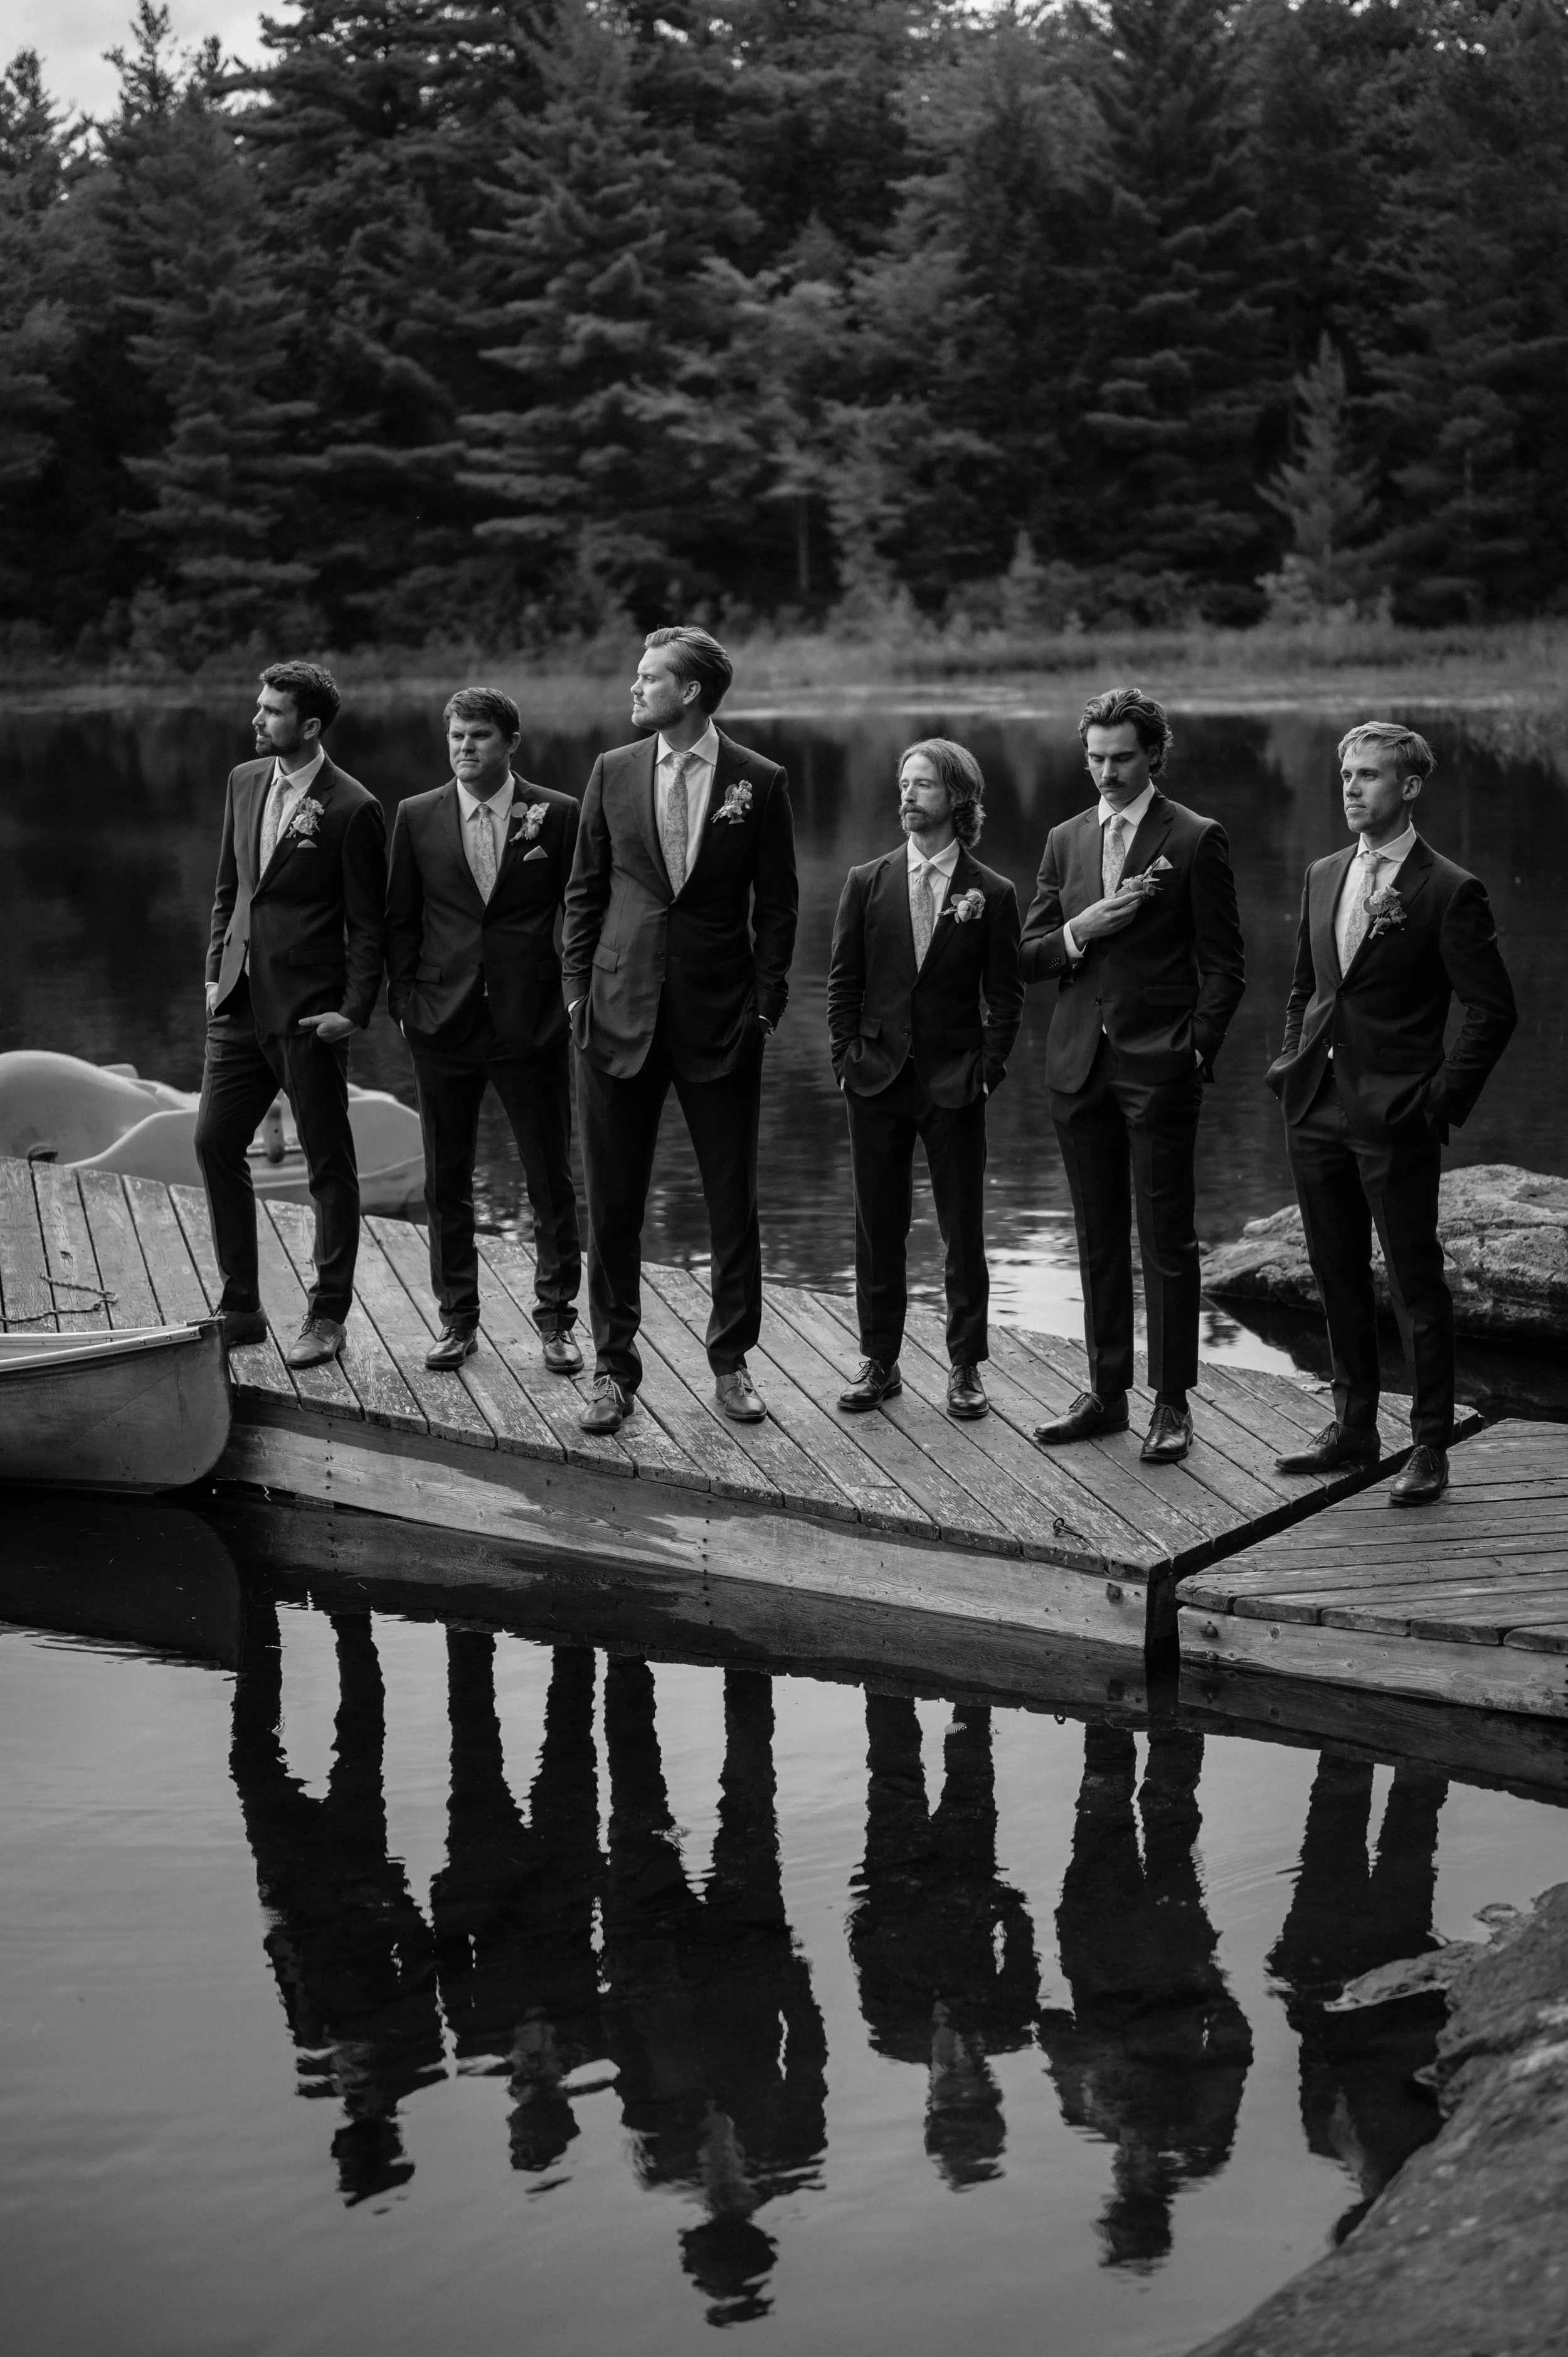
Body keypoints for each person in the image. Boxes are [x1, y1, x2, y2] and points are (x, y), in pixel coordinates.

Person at [1266, 722, 1516, 1506]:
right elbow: (1307, 988)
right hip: (1314, 1105)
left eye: (1368, 776)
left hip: (1396, 1114)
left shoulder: (1448, 889)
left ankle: (1429, 1445)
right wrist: (1288, 1065)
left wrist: (1437, 1099)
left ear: (1407, 788)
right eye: (1345, 774)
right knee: (1334, 1271)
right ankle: (1351, 1428)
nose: (1350, 788)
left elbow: (1491, 1010)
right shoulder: (1321, 872)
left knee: (1414, 1284)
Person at [562, 626, 798, 1435]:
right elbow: (584, 893)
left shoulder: (757, 782)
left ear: (689, 692)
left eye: (649, 677)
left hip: (720, 1020)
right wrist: (574, 997)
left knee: (732, 1201)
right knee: (612, 1202)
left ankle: (731, 1365)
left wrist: (764, 1006)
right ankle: (611, 1369)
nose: (635, 689)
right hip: (614, 1014)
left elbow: (778, 905)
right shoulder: (612, 770)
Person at [1020, 687, 1245, 1464]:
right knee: (1095, 1237)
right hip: (1076, 1064)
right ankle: (1106, 1393)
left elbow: (1225, 967)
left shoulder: (1195, 836)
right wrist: (1079, 931)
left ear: (1153, 754)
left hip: (1160, 1066)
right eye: (1095, 759)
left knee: (1167, 1242)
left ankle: (1172, 1404)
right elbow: (1028, 954)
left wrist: (1195, 1049)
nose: (1106, 773)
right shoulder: (1064, 838)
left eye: (1120, 758)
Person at [384, 687, 583, 1372]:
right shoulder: (415, 816)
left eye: (479, 736)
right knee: (446, 1178)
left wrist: (567, 1001)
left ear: (511, 743)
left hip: (531, 1024)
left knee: (549, 1176)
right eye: (456, 736)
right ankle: (457, 1318)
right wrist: (407, 1005)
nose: (465, 747)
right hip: (442, 1022)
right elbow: (401, 923)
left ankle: (557, 1321)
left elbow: (578, 913)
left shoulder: (556, 815)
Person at [826, 738, 1023, 1420]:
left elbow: (1006, 995)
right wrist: (845, 1059)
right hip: (874, 1078)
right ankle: (879, 1362)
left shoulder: (991, 893)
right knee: (877, 1228)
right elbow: (842, 984)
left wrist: (987, 1071)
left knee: (961, 1229)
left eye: (924, 786)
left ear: (958, 800)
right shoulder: (864, 880)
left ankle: (965, 1365)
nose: (907, 796)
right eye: (903, 783)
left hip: (954, 1082)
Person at [196, 661, 385, 1368]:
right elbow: (228, 888)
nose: (257, 718)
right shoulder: (244, 781)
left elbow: (369, 925)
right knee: (215, 1142)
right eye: (259, 706)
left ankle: (327, 1315)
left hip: (310, 1014)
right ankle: (241, 1306)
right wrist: (215, 971)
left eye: (272, 711)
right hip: (237, 1003)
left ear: (309, 727)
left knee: (328, 1165)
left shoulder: (353, 807)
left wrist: (353, 1010)